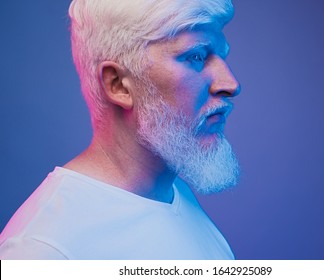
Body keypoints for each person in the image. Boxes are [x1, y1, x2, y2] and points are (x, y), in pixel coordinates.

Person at [0, 0, 241, 259]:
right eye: (196, 56)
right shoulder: (42, 248)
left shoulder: (174, 196)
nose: (231, 84)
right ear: (118, 85)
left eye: (221, 57)